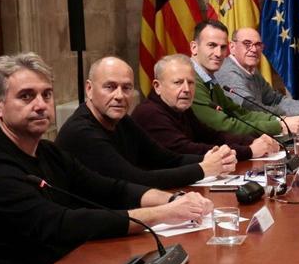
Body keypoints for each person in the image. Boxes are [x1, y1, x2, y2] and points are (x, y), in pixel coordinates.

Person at [0, 53, 214, 264]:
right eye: (26, 96)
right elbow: (62, 224)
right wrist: (164, 213)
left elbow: (111, 188)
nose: (40, 105)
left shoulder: (46, 151)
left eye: (46, 95)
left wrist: (173, 200)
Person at [57, 56, 237, 188]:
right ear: (89, 89)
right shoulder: (81, 132)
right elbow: (135, 180)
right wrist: (203, 168)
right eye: (110, 87)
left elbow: (165, 158)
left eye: (126, 88)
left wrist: (213, 159)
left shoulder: (122, 121)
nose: (119, 96)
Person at [134, 53, 281, 161]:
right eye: (178, 82)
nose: (186, 89)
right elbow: (188, 150)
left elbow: (213, 136)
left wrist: (252, 141)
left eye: (191, 83)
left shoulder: (180, 109)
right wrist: (248, 151)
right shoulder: (149, 114)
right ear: (157, 86)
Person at [189, 20, 299, 137]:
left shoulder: (209, 80)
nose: (219, 53)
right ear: (194, 47)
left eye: (223, 47)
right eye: (212, 45)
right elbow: (224, 125)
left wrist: (280, 120)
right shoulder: (189, 80)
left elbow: (240, 113)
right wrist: (279, 125)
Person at [214, 26, 299, 118]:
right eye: (247, 44)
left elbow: (274, 100)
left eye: (258, 45)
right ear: (232, 47)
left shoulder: (252, 70)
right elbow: (250, 108)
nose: (254, 49)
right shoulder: (227, 71)